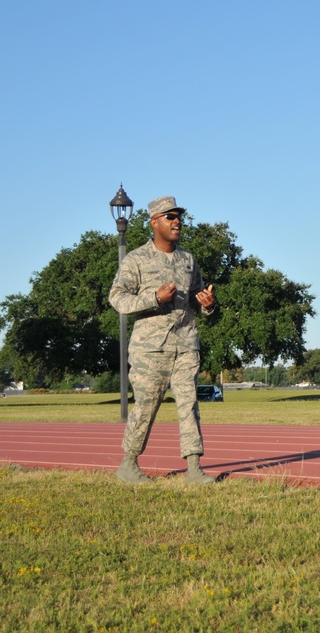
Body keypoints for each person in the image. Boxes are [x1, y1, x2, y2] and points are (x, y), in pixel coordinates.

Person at [109, 196, 218, 485]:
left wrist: (208, 304)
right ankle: (128, 464)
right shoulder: (136, 259)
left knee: (189, 404)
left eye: (179, 216)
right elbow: (117, 297)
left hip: (185, 343)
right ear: (154, 221)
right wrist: (154, 298)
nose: (177, 221)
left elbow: (198, 299)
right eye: (170, 217)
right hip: (150, 348)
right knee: (146, 405)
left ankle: (194, 468)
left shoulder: (188, 260)